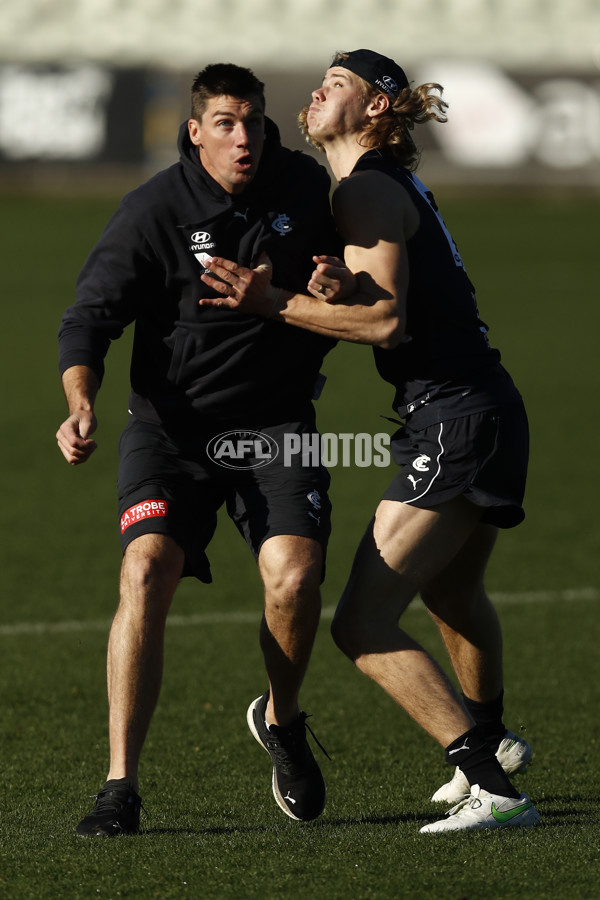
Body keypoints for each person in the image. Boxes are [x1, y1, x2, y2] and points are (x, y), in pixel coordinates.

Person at [199, 49, 540, 833]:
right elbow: (387, 295)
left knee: (359, 623)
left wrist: (271, 301)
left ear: (379, 108)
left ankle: (492, 784)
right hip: (479, 406)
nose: (317, 92)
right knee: (451, 593)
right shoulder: (378, 188)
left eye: (341, 84)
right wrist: (338, 286)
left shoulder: (364, 189)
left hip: (455, 417)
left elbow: (385, 324)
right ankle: (493, 744)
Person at [56, 63, 344, 836]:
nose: (242, 137)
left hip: (275, 426)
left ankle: (283, 722)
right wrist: (79, 401)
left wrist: (335, 281)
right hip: (170, 433)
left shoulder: (306, 190)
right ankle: (120, 786)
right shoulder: (154, 209)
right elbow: (88, 318)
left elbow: (355, 274)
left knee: (296, 577)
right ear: (195, 130)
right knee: (146, 567)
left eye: (251, 120)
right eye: (224, 122)